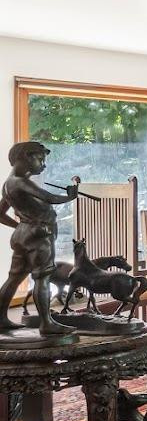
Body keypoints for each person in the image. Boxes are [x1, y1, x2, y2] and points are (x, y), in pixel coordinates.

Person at [0, 142, 79, 336]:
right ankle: (46, 323)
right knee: (42, 278)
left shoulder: (8, 183)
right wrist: (70, 196)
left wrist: (19, 226)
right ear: (26, 157)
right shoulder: (20, 181)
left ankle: (0, 318)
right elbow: (48, 197)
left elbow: (0, 213)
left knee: (14, 277)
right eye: (40, 159)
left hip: (24, 234)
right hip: (38, 235)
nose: (43, 165)